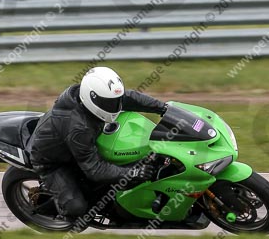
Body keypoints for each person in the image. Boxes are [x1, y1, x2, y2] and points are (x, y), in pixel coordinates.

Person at [29, 66, 167, 222]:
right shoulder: (78, 127)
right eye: (110, 103)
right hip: (53, 162)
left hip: (80, 148)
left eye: (116, 101)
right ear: (92, 98)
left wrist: (163, 108)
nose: (116, 106)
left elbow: (129, 98)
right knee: (77, 208)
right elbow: (95, 169)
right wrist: (133, 173)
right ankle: (50, 208)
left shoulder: (100, 98)